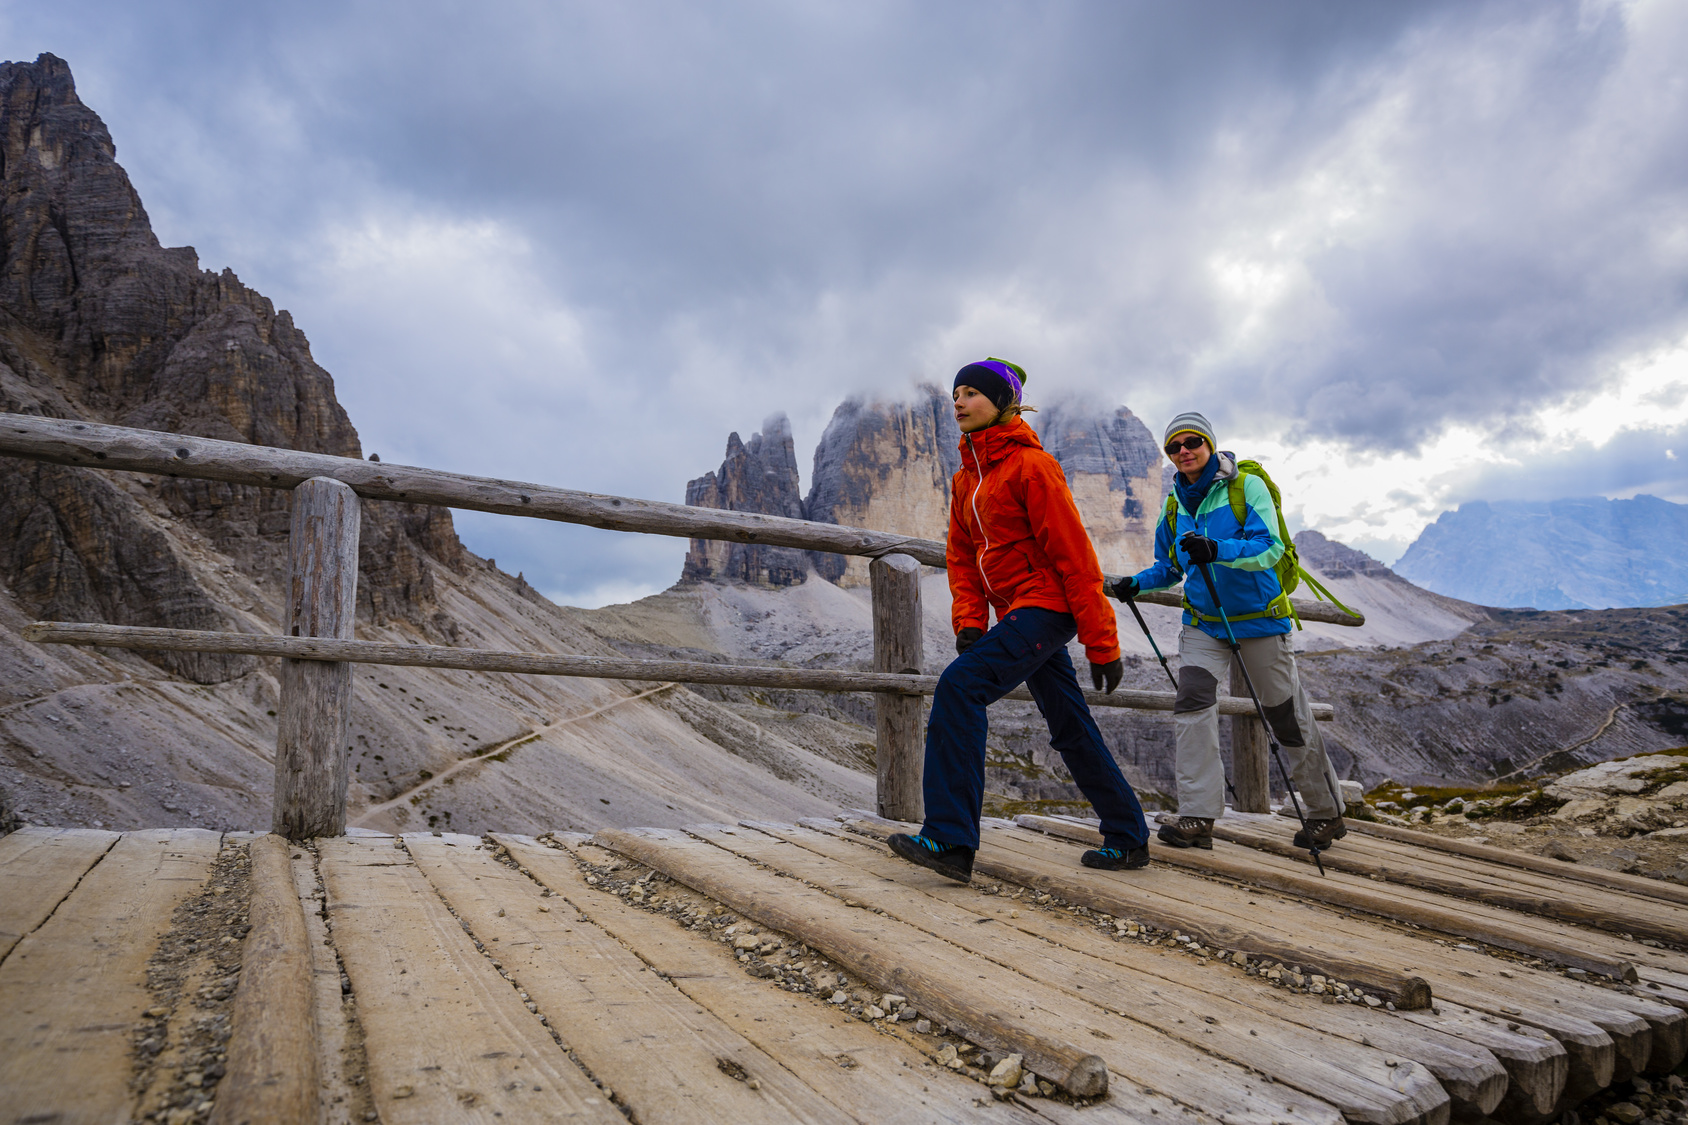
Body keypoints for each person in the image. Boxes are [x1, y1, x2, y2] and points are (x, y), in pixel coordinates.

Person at [887, 358, 1152, 883]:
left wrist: (1103, 644)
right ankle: (1128, 837)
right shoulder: (968, 478)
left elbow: (1077, 559)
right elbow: (961, 556)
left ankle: (951, 838)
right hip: (1017, 614)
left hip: (1047, 607)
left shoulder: (1035, 466)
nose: (958, 402)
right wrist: (969, 622)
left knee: (959, 687)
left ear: (1002, 402)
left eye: (970, 393)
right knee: (1070, 724)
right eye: (955, 393)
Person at [1114, 412, 1344, 851]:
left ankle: (1324, 812)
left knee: (1285, 715)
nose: (1184, 451)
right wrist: (1137, 583)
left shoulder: (1245, 486)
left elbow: (1269, 546)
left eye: (1192, 442)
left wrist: (1217, 549)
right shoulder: (1175, 503)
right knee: (1192, 707)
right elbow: (1171, 567)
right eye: (1174, 446)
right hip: (1203, 622)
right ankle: (1198, 816)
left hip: (1259, 619)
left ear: (1210, 444)